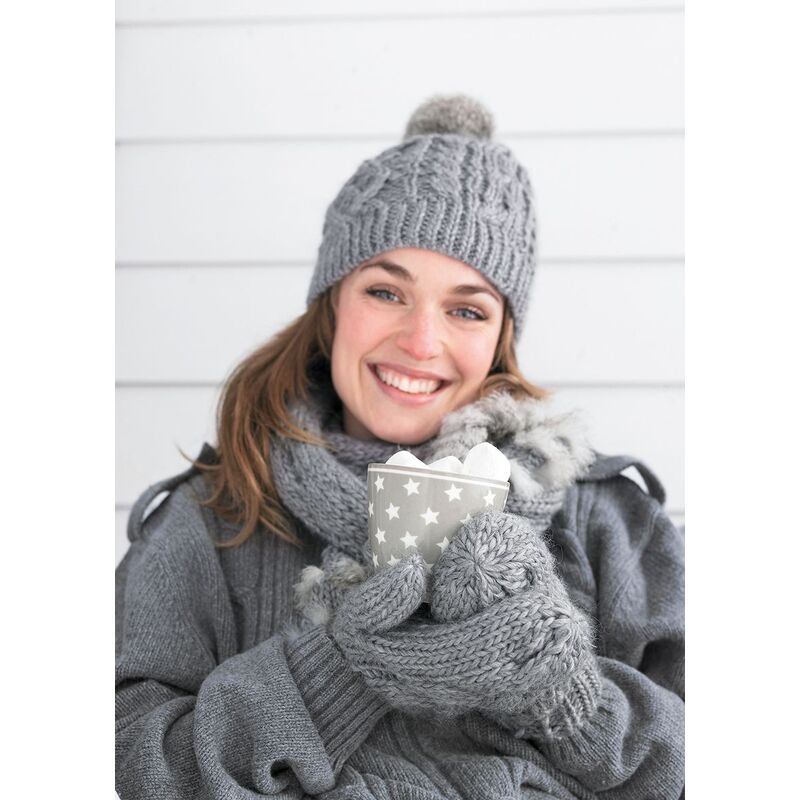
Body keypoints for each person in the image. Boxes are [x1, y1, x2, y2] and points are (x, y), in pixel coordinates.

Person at [115, 95, 685, 799]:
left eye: (466, 309)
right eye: (386, 292)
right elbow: (134, 762)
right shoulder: (211, 518)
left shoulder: (607, 521)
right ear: (332, 305)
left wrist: (567, 699)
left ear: (500, 336)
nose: (421, 342)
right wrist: (335, 668)